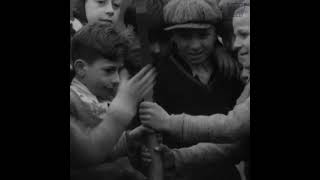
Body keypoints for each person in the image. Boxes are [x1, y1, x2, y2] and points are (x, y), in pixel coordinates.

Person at [140, 4, 250, 180]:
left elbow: (235, 130)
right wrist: (147, 149)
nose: (195, 45)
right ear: (173, 37)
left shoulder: (235, 70)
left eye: (203, 35)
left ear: (216, 34)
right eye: (185, 36)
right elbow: (233, 145)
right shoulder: (156, 76)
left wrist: (169, 122)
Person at [70, 22, 156, 179]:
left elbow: (105, 151)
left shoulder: (104, 98)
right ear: (81, 68)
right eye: (109, 70)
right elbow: (85, 156)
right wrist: (119, 115)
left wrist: (130, 141)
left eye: (118, 70)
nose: (117, 79)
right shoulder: (72, 103)